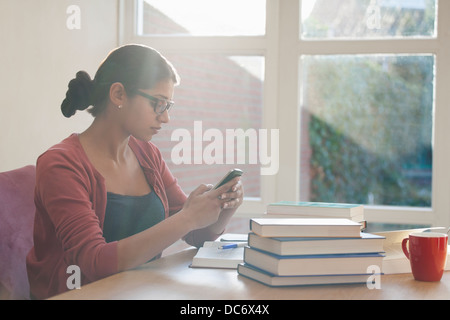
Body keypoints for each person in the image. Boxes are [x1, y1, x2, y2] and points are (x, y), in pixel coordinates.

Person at [26, 44, 244, 299]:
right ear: (118, 94)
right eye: (157, 104)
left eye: (168, 106)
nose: (165, 118)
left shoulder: (147, 155)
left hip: (139, 291)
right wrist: (188, 217)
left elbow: (195, 233)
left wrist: (223, 208)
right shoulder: (60, 165)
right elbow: (94, 262)